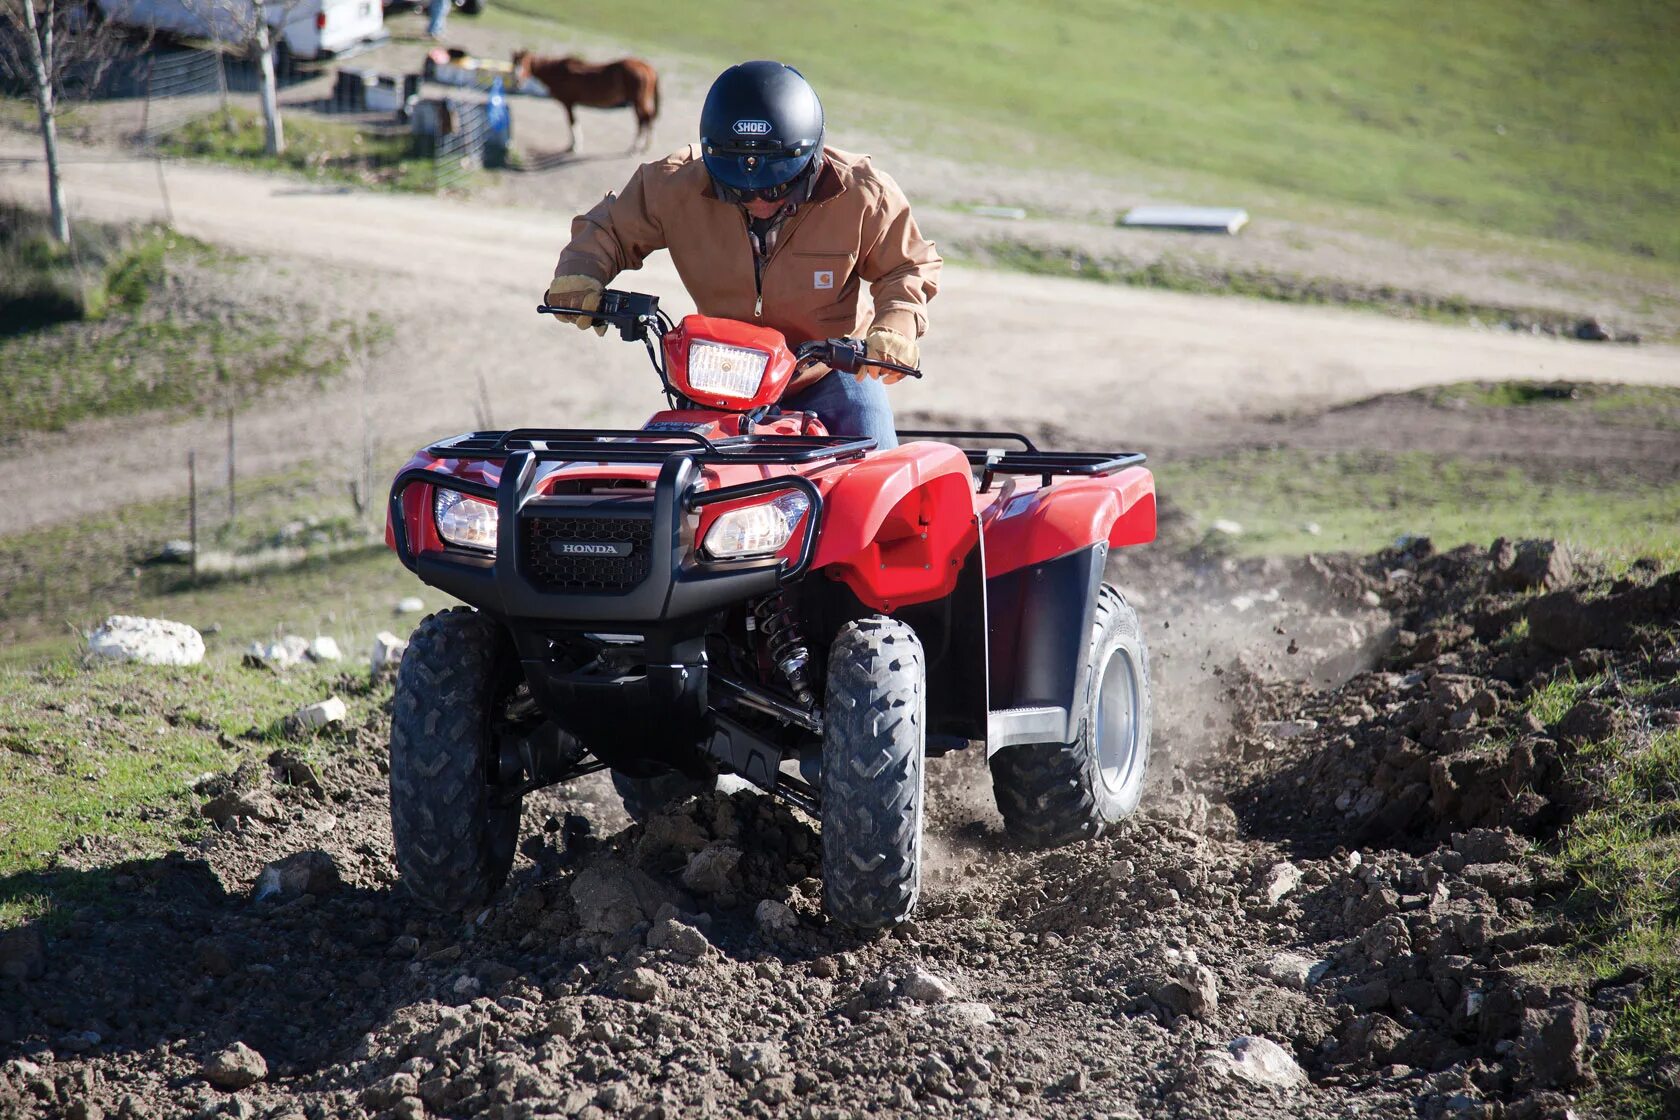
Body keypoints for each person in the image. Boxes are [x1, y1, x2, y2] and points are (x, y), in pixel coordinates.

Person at [545, 60, 941, 449]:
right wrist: (581, 273)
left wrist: (896, 325)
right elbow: (608, 229)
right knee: (661, 480)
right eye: (736, 188)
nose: (758, 201)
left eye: (774, 187)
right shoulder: (674, 185)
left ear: (811, 159)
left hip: (831, 373)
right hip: (722, 370)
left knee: (876, 475)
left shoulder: (861, 193)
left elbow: (906, 265)